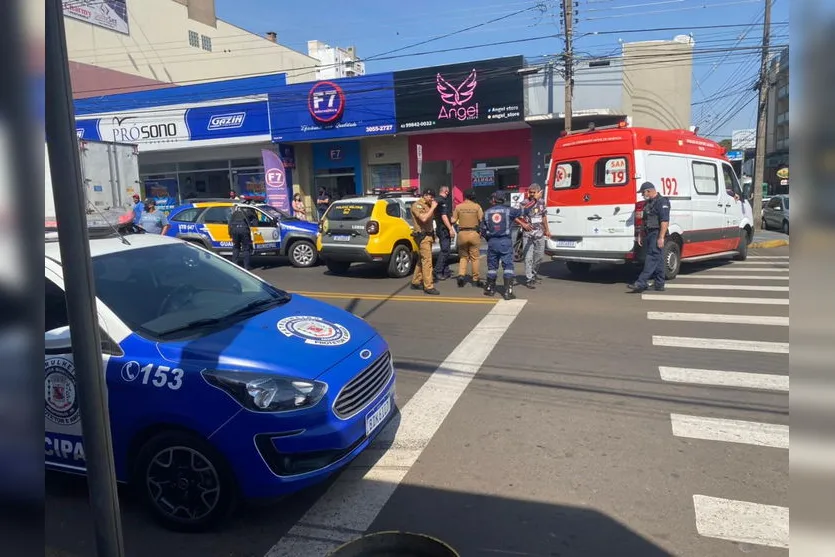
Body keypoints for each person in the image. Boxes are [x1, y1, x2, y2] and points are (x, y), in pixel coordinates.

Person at [628, 181, 671, 293]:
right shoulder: (648, 203)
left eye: (644, 192)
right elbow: (644, 220)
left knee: (652, 257)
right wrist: (640, 234)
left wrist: (661, 237)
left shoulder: (662, 202)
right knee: (659, 258)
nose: (643, 195)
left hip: (657, 233)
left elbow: (664, 221)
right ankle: (659, 284)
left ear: (649, 190)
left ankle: (641, 282)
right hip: (649, 233)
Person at [482, 190, 523, 299]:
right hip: (505, 242)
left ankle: (490, 289)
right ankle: (507, 292)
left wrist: (489, 239)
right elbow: (525, 211)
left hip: (492, 242)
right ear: (504, 199)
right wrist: (534, 200)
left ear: (494, 200)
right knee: (508, 266)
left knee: (492, 267)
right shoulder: (509, 211)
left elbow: (483, 230)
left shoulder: (486, 212)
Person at [516, 183, 550, 289]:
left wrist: (547, 230)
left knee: (539, 256)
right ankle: (529, 278)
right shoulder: (524, 203)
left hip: (539, 233)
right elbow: (516, 215)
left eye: (533, 192)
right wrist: (523, 224)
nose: (531, 194)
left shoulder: (541, 202)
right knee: (528, 257)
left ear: (538, 192)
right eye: (530, 192)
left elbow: (543, 216)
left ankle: (534, 273)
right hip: (528, 234)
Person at [409, 189, 440, 295]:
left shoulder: (428, 204)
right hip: (422, 237)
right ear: (425, 195)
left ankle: (416, 281)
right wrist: (432, 208)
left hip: (429, 236)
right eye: (431, 197)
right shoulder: (417, 205)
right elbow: (423, 218)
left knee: (422, 259)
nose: (432, 199)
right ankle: (428, 286)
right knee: (427, 261)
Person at [451, 188, 484, 288]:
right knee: (475, 258)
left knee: (463, 257)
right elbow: (482, 219)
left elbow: (453, 220)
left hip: (462, 233)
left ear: (464, 196)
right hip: (474, 233)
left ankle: (461, 275)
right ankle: (475, 279)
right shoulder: (477, 207)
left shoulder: (458, 207)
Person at [433, 185, 455, 282]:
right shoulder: (442, 201)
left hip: (440, 228)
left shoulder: (436, 200)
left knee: (446, 250)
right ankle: (437, 271)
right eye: (448, 192)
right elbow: (444, 216)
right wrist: (450, 229)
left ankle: (445, 271)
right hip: (443, 229)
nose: (448, 193)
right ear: (445, 191)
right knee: (445, 250)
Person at [228, 203, 257, 270]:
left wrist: (230, 234)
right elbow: (255, 223)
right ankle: (246, 266)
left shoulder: (234, 213)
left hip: (234, 231)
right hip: (244, 231)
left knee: (236, 247)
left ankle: (234, 265)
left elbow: (229, 224)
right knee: (246, 249)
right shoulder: (249, 211)